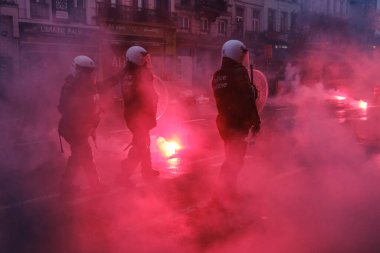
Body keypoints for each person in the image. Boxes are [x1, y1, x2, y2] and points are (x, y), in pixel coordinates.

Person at [98, 46, 159, 185]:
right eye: (143, 58)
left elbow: (111, 81)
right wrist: (151, 116)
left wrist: (97, 87)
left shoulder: (125, 73)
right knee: (140, 146)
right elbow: (149, 96)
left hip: (131, 115)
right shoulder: (143, 74)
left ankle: (147, 171)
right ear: (137, 58)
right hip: (141, 115)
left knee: (144, 143)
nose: (145, 60)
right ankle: (123, 175)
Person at [211, 40, 261, 203]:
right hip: (238, 123)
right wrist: (256, 121)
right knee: (235, 160)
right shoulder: (239, 71)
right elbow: (247, 98)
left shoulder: (218, 75)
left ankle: (227, 192)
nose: (244, 58)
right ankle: (221, 195)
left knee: (231, 158)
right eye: (242, 55)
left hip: (224, 123)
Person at [58, 55, 104, 197]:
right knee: (82, 157)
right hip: (74, 130)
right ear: (77, 70)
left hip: (79, 129)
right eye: (85, 72)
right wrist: (86, 117)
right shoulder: (72, 87)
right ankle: (90, 186)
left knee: (82, 157)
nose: (88, 75)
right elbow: (64, 108)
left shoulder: (83, 86)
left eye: (90, 72)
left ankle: (89, 186)